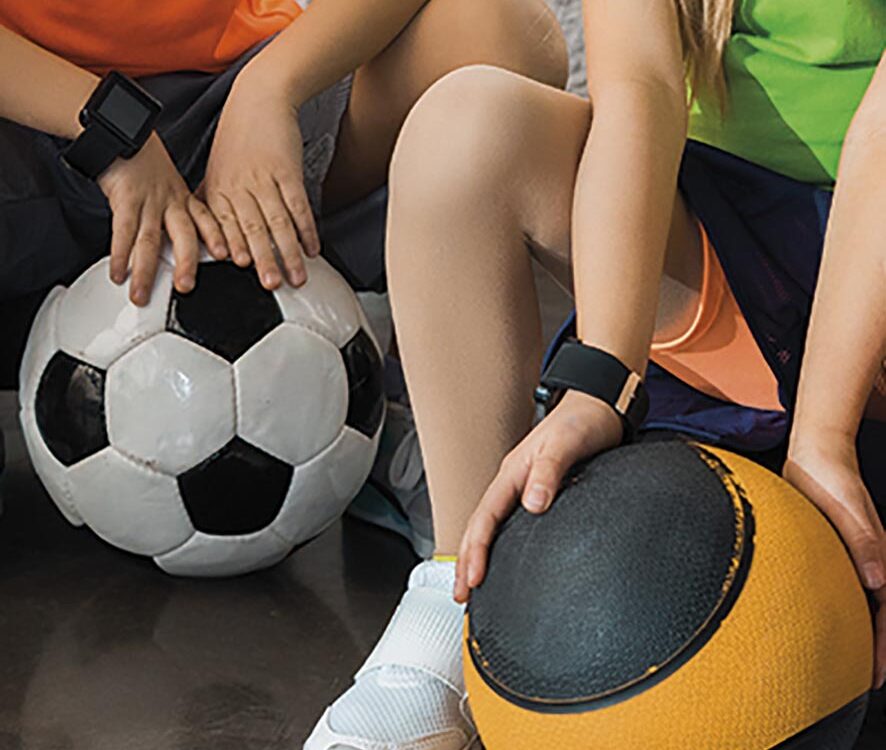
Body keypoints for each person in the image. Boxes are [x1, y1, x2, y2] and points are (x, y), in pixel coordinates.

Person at [308, 0, 886, 746]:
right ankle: (450, 608)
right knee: (465, 125)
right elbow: (638, 91)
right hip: (720, 247)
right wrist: (602, 379)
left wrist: (824, 435)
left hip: (869, 265)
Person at [0, 0, 568, 542]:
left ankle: (407, 408)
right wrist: (110, 131)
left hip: (222, 100)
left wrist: (269, 90)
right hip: (30, 117)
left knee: (502, 32)